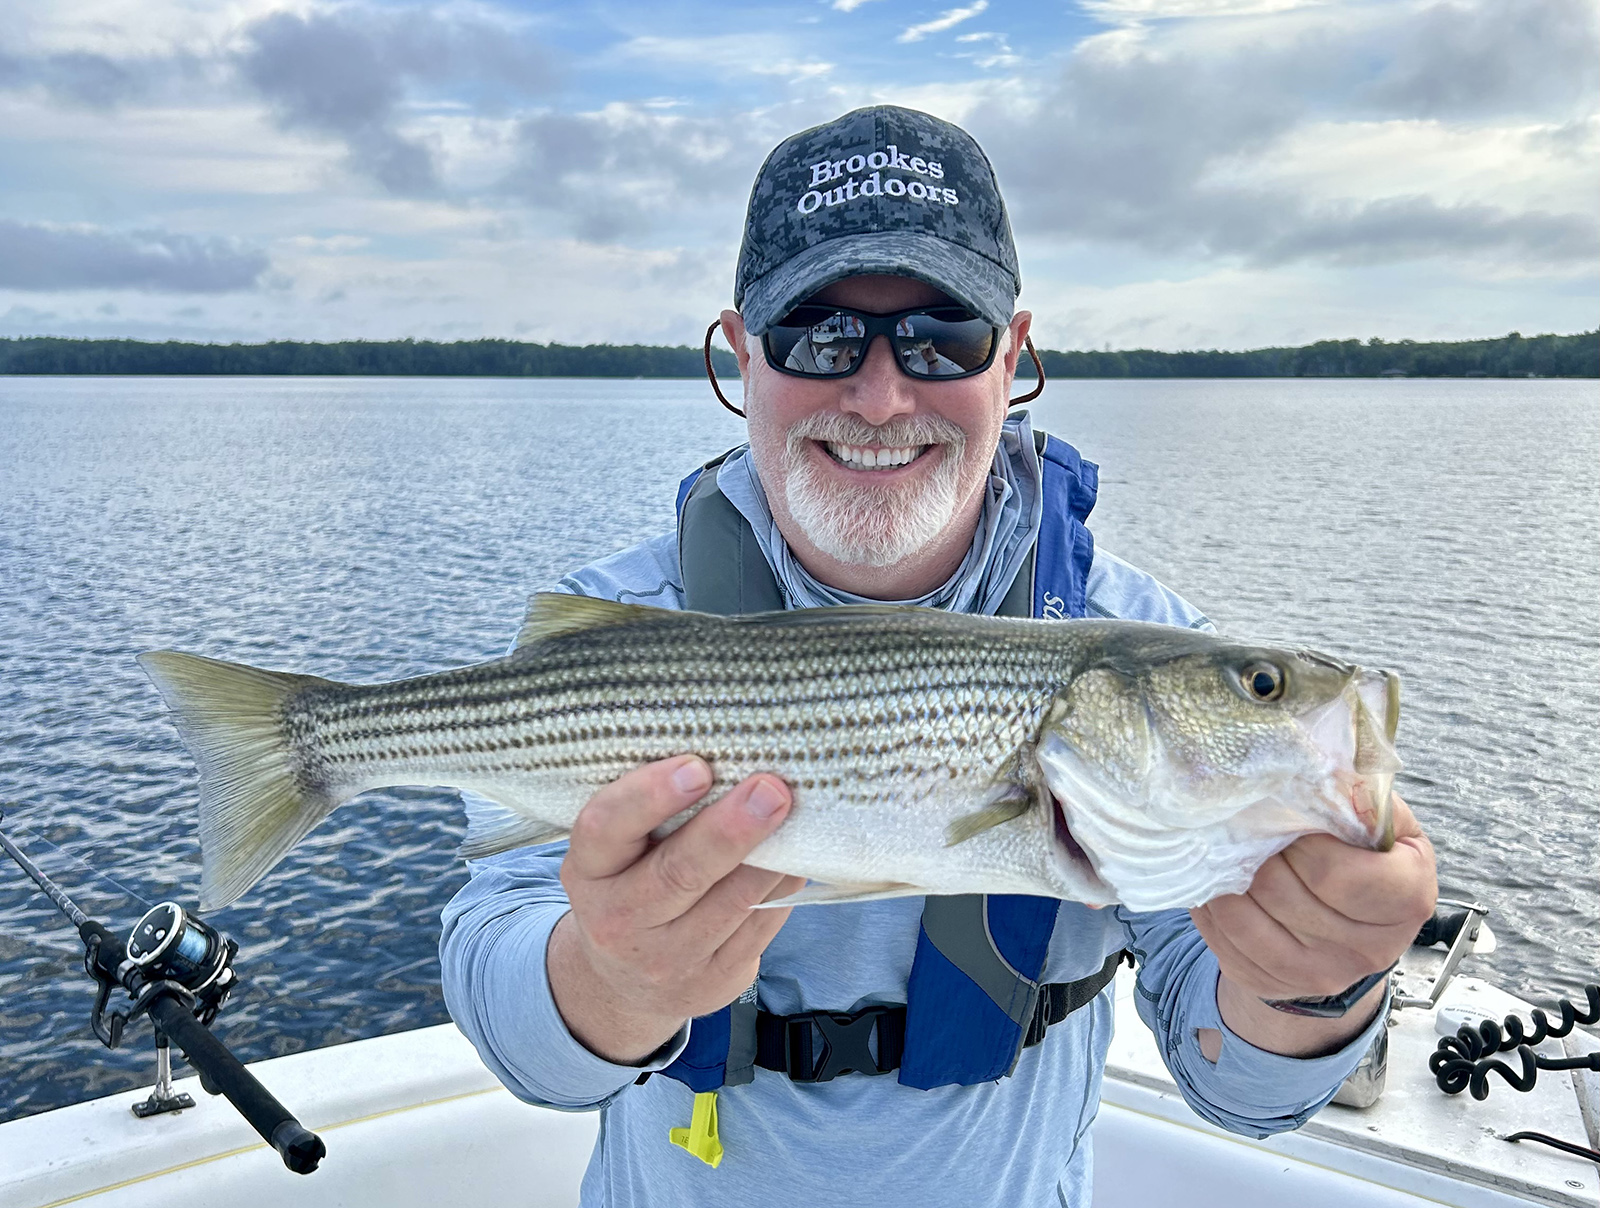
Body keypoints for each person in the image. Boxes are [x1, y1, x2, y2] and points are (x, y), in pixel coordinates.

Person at [440, 105, 1437, 1207]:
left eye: (941, 336)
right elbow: (513, 1018)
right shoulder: (624, 622)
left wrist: (1315, 987)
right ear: (740, 356)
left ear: (1011, 355)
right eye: (818, 336)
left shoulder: (1129, 626)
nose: (878, 394)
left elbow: (1244, 1092)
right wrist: (604, 982)